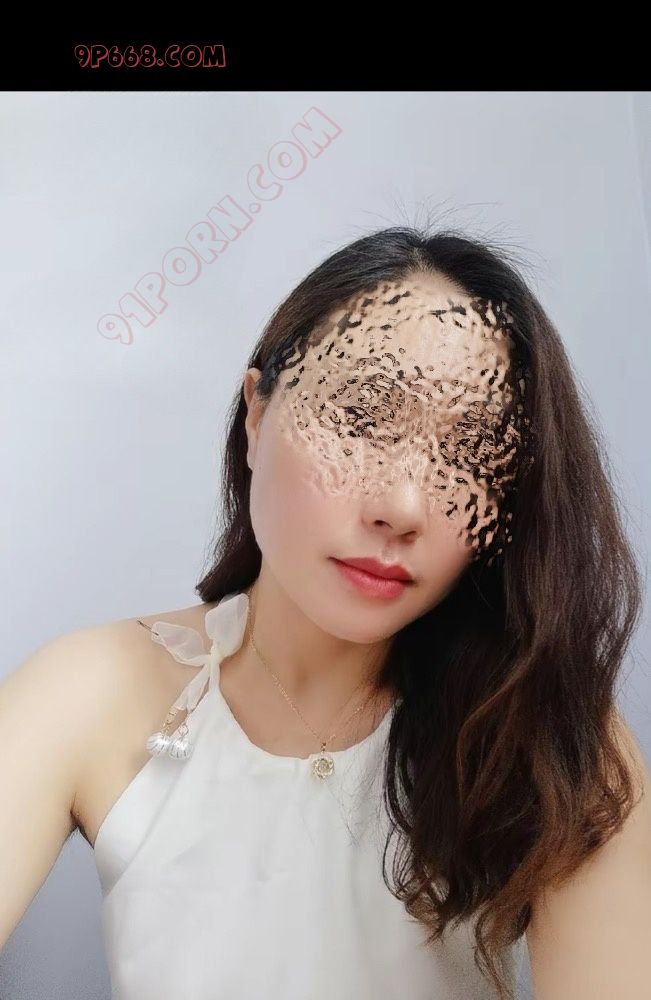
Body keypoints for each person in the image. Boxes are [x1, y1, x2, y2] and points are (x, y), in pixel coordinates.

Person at [1, 225, 650, 1000]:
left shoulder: (551, 734)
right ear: (256, 414)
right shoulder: (94, 687)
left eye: (468, 452)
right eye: (364, 419)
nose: (402, 506)